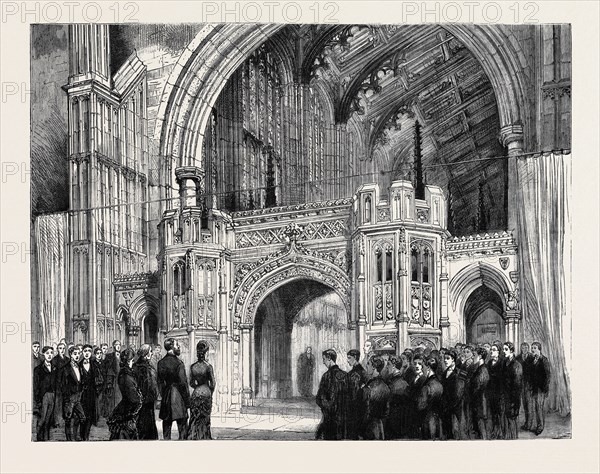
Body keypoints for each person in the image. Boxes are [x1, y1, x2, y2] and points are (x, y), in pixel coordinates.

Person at [157, 338, 190, 440]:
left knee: (166, 426)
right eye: (177, 345)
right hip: (179, 398)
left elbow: (160, 382)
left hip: (167, 396)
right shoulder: (179, 363)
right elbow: (183, 384)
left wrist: (164, 394)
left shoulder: (161, 363)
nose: (179, 347)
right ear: (171, 347)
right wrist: (187, 401)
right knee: (183, 426)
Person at [107, 348, 142, 440]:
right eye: (132, 360)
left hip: (126, 407)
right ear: (128, 361)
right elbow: (133, 398)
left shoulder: (127, 373)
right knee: (124, 434)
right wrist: (139, 399)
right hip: (127, 410)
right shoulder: (126, 376)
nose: (133, 362)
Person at [315, 349, 347, 440]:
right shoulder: (345, 375)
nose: (323, 362)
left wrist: (326, 408)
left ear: (329, 358)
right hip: (343, 420)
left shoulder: (326, 376)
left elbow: (319, 398)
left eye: (324, 359)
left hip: (329, 419)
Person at [187, 340, 215, 440]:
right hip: (206, 393)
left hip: (196, 393)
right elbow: (213, 383)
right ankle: (205, 437)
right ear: (206, 352)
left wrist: (197, 388)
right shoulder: (208, 367)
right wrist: (209, 391)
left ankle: (193, 436)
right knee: (205, 418)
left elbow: (191, 382)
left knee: (194, 417)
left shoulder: (192, 367)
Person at [133, 344, 159, 440]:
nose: (151, 353)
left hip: (146, 400)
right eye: (150, 351)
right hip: (145, 400)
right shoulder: (144, 367)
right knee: (145, 423)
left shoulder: (141, 365)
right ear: (146, 354)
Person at [361, 355, 390, 440]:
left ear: (374, 367)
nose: (366, 366)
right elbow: (387, 410)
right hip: (380, 426)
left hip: (369, 428)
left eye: (368, 364)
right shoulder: (386, 386)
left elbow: (365, 412)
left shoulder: (368, 388)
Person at [79, 344, 104, 440]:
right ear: (82, 352)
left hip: (92, 394)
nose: (87, 353)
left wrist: (97, 391)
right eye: (85, 351)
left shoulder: (94, 365)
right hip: (82, 395)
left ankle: (86, 436)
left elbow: (100, 380)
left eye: (89, 351)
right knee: (82, 416)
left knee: (90, 416)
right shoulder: (79, 365)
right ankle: (82, 435)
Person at [415, 356, 443, 440]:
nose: (422, 369)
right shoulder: (439, 383)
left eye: (422, 367)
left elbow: (420, 406)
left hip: (427, 421)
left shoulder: (426, 386)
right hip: (438, 421)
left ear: (428, 368)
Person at [62, 346, 86, 441]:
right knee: (68, 420)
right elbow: (63, 385)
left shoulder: (79, 366)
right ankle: (69, 439)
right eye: (75, 354)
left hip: (78, 397)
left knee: (82, 418)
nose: (77, 356)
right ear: (71, 355)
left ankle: (77, 436)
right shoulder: (66, 368)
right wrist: (68, 398)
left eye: (78, 354)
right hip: (69, 398)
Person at [440, 350, 466, 440]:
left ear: (453, 360)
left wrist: (451, 405)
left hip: (456, 407)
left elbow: (459, 392)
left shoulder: (460, 373)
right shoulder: (444, 374)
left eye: (448, 359)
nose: (445, 361)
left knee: (456, 432)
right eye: (444, 359)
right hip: (446, 407)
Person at [382, 357, 410, 439]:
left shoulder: (392, 384)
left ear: (394, 366)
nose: (387, 367)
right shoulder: (405, 382)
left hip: (393, 419)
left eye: (389, 364)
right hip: (402, 421)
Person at [33, 346, 56, 441]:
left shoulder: (55, 368)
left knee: (48, 420)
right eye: (47, 353)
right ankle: (39, 439)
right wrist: (38, 400)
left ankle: (46, 440)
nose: (49, 355)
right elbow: (36, 387)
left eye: (51, 353)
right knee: (42, 419)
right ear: (43, 354)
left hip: (52, 395)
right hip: (43, 396)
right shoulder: (38, 369)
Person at [502, 342, 523, 439]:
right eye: (503, 349)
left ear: (511, 350)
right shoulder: (505, 362)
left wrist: (514, 402)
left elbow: (517, 386)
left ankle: (514, 440)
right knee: (506, 421)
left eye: (506, 349)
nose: (503, 351)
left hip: (513, 398)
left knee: (512, 420)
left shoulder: (516, 365)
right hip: (505, 397)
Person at [529, 342, 551, 435]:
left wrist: (545, 389)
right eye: (532, 348)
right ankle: (538, 425)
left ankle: (540, 427)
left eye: (534, 348)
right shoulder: (533, 359)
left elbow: (548, 376)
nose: (532, 349)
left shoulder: (544, 360)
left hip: (541, 389)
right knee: (535, 407)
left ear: (539, 349)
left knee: (539, 408)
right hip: (534, 388)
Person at [468, 347, 490, 439]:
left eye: (474, 355)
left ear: (480, 356)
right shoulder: (478, 369)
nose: (472, 357)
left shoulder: (483, 370)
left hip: (481, 402)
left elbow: (478, 387)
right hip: (478, 402)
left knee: (482, 427)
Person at [345, 349, 366, 439]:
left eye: (349, 358)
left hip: (354, 406)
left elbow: (353, 393)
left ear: (355, 358)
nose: (347, 360)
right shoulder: (362, 370)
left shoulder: (354, 374)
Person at [486, 343, 505, 439]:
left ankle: (500, 432)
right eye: (491, 350)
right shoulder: (489, 363)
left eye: (493, 350)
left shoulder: (502, 363)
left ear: (498, 352)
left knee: (499, 413)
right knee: (493, 413)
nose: (491, 351)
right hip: (491, 391)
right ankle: (494, 431)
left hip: (499, 391)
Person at [102, 340, 122, 417]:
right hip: (113, 380)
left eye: (119, 344)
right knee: (112, 398)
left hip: (121, 380)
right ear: (113, 346)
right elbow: (108, 369)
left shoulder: (123, 356)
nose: (118, 346)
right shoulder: (109, 356)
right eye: (116, 344)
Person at [517, 342, 533, 431]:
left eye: (526, 347)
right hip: (521, 384)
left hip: (529, 384)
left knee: (529, 405)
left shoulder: (532, 357)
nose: (525, 349)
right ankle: (527, 423)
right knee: (524, 405)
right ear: (521, 348)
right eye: (523, 347)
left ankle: (530, 424)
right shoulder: (518, 358)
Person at [51, 342, 69, 424]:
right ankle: (57, 421)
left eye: (63, 348)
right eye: (60, 348)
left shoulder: (67, 359)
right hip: (57, 384)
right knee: (58, 402)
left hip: (66, 384)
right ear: (57, 349)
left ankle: (65, 418)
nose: (62, 350)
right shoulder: (54, 360)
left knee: (65, 401)